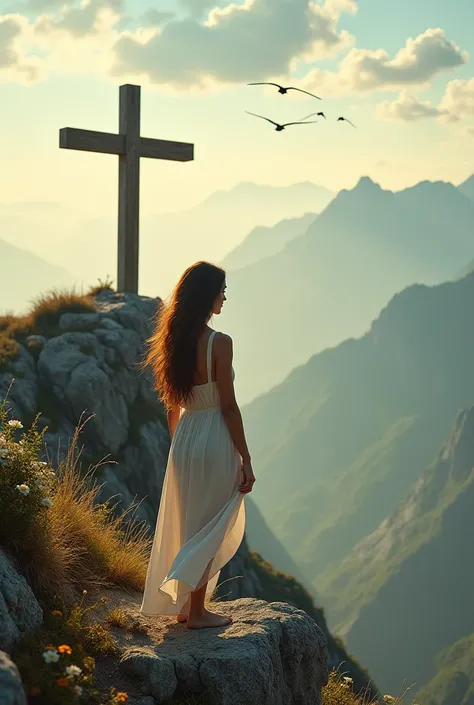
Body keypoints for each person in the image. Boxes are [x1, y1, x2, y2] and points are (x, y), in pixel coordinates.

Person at [140, 261, 255, 628]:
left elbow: (171, 404)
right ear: (208, 295)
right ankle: (198, 612)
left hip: (186, 436)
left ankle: (187, 607)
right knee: (210, 523)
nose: (224, 296)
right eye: (222, 290)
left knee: (192, 521)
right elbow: (229, 406)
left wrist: (180, 445)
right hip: (213, 434)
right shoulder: (219, 343)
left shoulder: (173, 342)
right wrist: (246, 458)